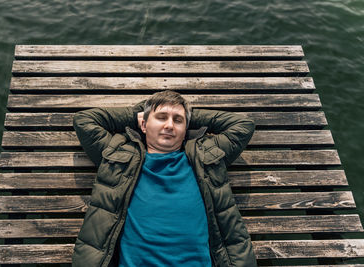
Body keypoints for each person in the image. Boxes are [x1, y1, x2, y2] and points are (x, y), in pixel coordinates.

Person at [72, 90, 257, 267]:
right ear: (143, 125)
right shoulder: (118, 156)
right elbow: (84, 121)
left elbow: (243, 125)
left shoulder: (205, 156)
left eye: (178, 121)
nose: (169, 125)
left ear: (186, 129)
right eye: (161, 117)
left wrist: (189, 115)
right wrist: (137, 113)